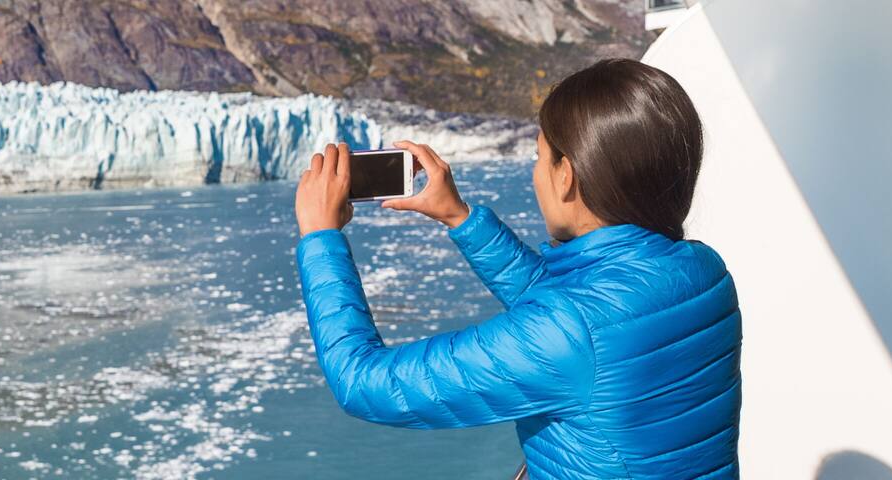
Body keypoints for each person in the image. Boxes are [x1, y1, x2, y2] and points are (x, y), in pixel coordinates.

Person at [291, 58, 740, 479]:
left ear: (567, 177)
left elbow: (362, 382)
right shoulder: (704, 272)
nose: (536, 173)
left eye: (541, 157)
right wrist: (461, 219)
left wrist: (320, 239)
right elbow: (579, 312)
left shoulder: (570, 329)